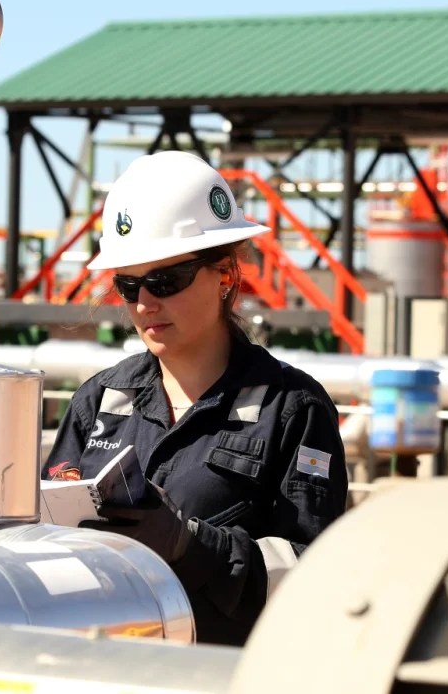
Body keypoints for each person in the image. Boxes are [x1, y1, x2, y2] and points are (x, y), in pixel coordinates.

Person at [42, 150, 348, 646]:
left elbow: (317, 580)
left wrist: (190, 544)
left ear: (226, 274)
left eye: (165, 280)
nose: (144, 303)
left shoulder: (292, 410)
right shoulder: (98, 400)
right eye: (129, 285)